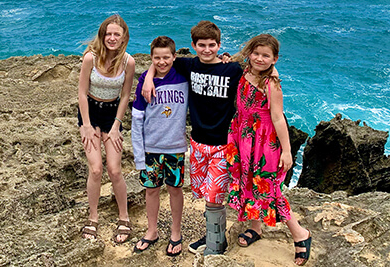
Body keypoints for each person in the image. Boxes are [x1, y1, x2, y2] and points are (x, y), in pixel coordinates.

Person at [142, 21, 243, 256]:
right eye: (201, 45)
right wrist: (148, 77)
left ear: (219, 45)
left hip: (223, 144)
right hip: (197, 143)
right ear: (193, 46)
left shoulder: (232, 70)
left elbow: (261, 70)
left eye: (212, 45)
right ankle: (211, 232)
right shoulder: (188, 65)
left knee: (215, 196)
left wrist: (232, 58)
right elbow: (161, 60)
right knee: (202, 192)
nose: (207, 50)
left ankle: (217, 245)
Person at [226, 34, 312, 266]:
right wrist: (226, 58)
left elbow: (277, 117)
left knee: (270, 189)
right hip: (243, 136)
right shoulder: (245, 70)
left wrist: (286, 152)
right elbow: (233, 62)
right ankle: (256, 228)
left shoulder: (271, 83)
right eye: (257, 54)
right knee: (248, 182)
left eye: (266, 56)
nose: (260, 59)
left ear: (275, 59)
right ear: (249, 53)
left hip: (264, 142)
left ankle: (300, 234)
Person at [77, 14, 135, 244]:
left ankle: (124, 216)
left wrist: (117, 125)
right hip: (90, 112)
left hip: (113, 115)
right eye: (108, 34)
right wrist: (87, 126)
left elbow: (125, 96)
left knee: (115, 169)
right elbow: (81, 92)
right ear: (103, 35)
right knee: (96, 169)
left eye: (116, 35)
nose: (112, 38)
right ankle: (93, 216)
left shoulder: (128, 62)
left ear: (123, 38)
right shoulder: (90, 58)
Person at [131, 36, 188, 256]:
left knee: (175, 189)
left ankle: (176, 232)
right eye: (157, 58)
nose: (162, 62)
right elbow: (136, 118)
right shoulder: (145, 80)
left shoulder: (184, 77)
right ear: (151, 58)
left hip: (175, 147)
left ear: (174, 56)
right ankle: (152, 231)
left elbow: (205, 65)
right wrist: (138, 155)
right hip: (150, 149)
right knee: (151, 190)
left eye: (166, 57)